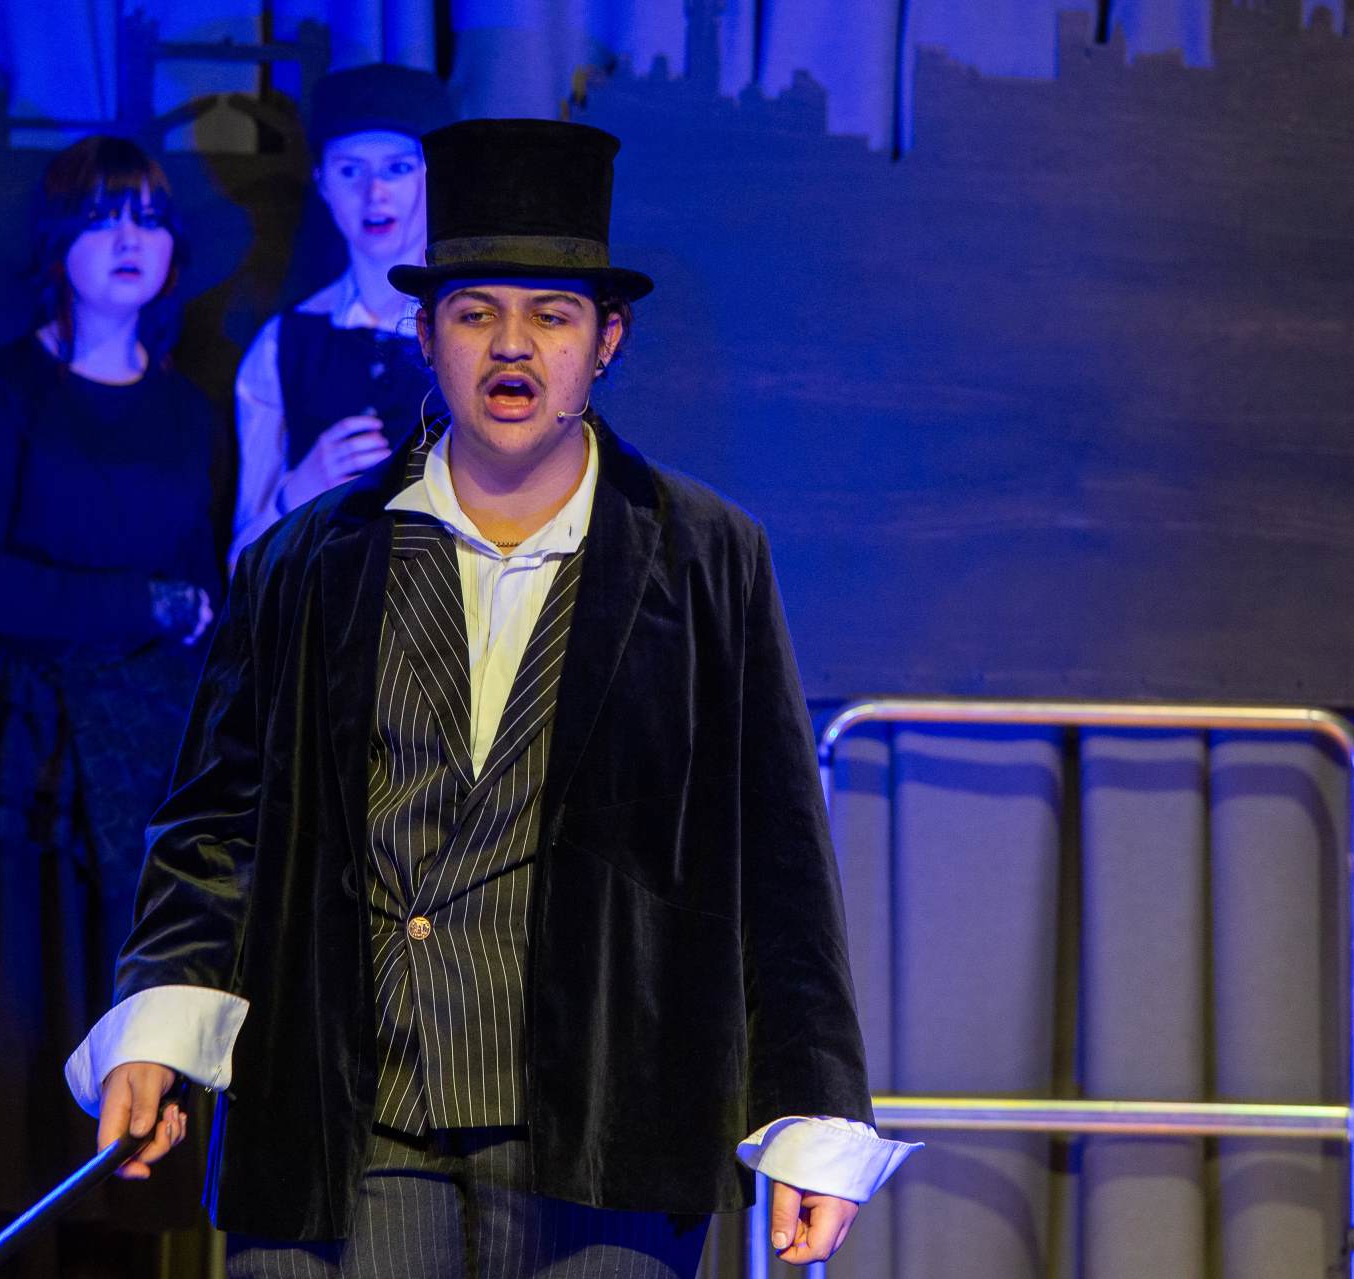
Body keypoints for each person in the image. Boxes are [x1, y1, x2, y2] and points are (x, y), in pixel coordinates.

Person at [67, 119, 918, 1276]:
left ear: (606, 339)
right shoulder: (307, 563)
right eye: (474, 313)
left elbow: (775, 854)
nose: (512, 346)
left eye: (553, 315)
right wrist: (162, 1023)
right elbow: (217, 826)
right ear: (425, 334)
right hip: (353, 1118)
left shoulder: (703, 557)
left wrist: (812, 1102)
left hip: (607, 1124)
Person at [0, 135, 227, 1278]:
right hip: (15, 774)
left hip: (139, 771)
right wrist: (138, 603)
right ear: (58, 241)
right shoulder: (0, 391)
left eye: (150, 220)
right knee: (6, 1033)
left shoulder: (188, 410)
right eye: (105, 218)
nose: (129, 242)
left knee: (127, 1024)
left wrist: (179, 612)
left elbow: (200, 582)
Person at [228, 63, 454, 564]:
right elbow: (242, 562)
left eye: (397, 169)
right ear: (323, 182)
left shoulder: (477, 329)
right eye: (350, 171)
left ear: (433, 175)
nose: (374, 193)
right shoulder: (284, 344)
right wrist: (299, 489)